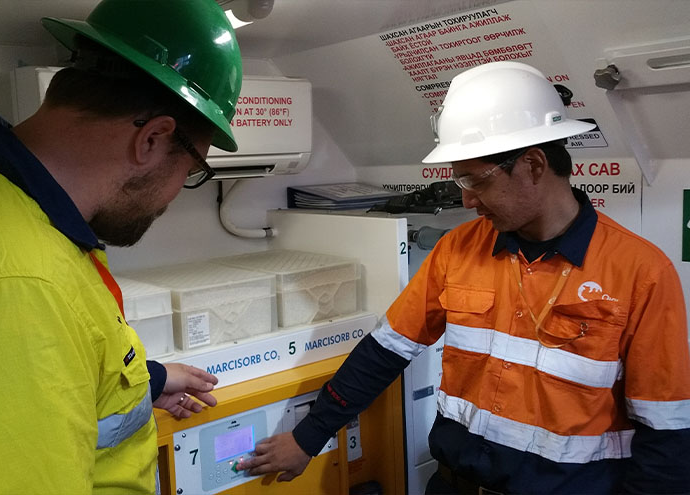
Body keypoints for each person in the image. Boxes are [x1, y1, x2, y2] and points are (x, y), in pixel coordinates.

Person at [237, 61, 690, 493]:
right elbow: (385, 351)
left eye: (476, 181)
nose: (468, 201)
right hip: (454, 484)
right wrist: (308, 437)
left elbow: (666, 431)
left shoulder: (641, 272)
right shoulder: (458, 248)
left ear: (533, 165)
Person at [0, 0, 242, 493]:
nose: (168, 200)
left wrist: (150, 382)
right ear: (154, 139)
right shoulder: (10, 291)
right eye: (190, 172)